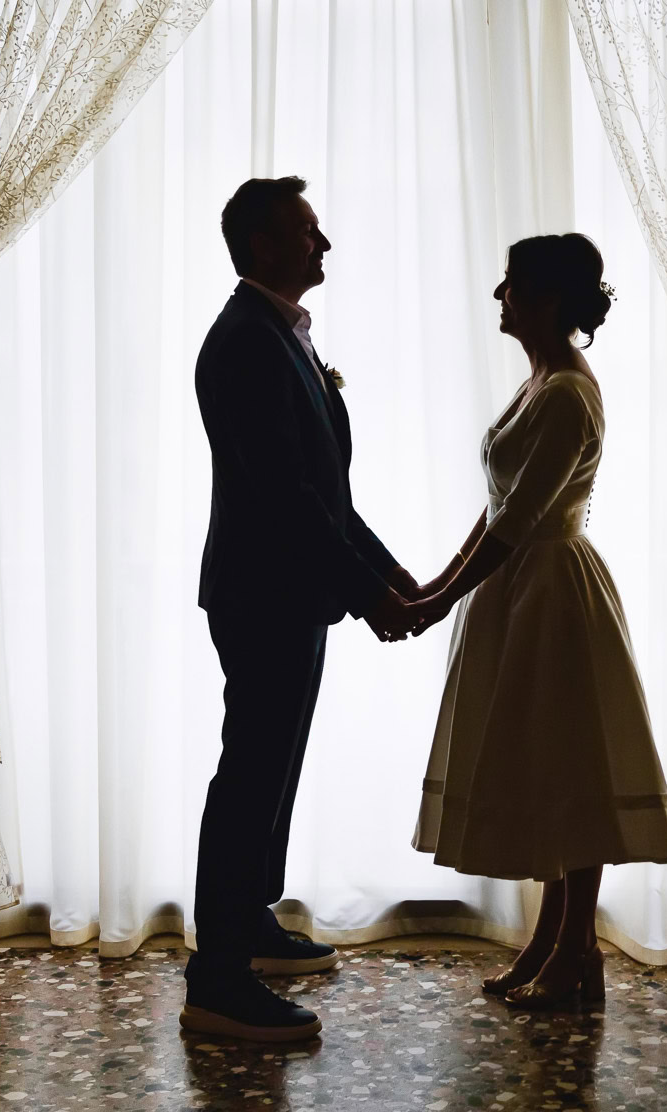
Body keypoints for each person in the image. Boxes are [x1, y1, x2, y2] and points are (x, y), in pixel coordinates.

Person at [406, 233, 667, 1011]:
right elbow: (498, 504)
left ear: (550, 300)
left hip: (553, 591)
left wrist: (438, 600)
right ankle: (552, 941)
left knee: (568, 772)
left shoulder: (567, 392)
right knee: (544, 765)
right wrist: (441, 585)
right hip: (519, 587)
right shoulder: (539, 382)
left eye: (513, 285)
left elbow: (524, 517)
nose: (501, 297)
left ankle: (575, 952)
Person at [183, 175, 425, 1043]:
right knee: (248, 777)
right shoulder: (247, 341)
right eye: (309, 232)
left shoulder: (277, 335)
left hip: (286, 590)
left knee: (271, 769)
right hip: (263, 592)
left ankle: (248, 924)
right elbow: (287, 498)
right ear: (262, 246)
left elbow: (327, 489)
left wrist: (392, 574)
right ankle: (216, 980)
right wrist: (374, 597)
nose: (325, 246)